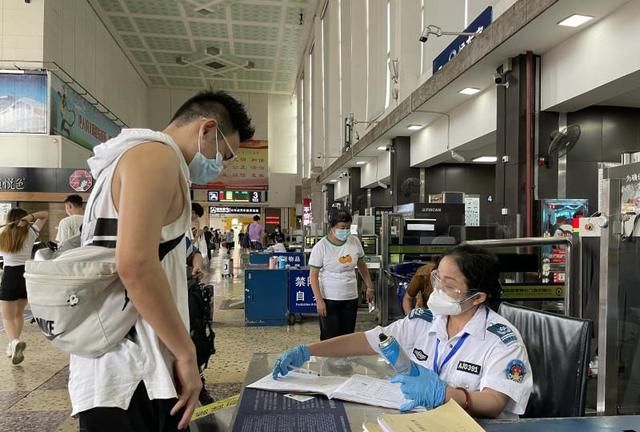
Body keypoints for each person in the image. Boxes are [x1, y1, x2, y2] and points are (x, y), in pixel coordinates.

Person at [70, 90, 254, 432]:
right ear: (206, 129)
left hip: (119, 359)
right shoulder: (156, 158)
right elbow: (135, 265)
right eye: (224, 155)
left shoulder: (125, 157)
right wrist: (185, 353)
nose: (219, 166)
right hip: (133, 370)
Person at [272, 245, 532, 418]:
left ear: (477, 298)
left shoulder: (502, 340)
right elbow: (366, 341)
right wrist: (308, 351)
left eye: (449, 284)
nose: (437, 288)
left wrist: (445, 394)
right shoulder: (423, 321)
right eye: (437, 278)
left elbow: (495, 402)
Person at [308, 209, 375, 341]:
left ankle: (345, 362)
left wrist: (370, 286)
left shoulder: (354, 242)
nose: (345, 231)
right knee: (330, 338)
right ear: (332, 227)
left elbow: (361, 265)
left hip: (350, 297)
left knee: (347, 337)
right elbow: (313, 276)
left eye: (348, 227)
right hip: (329, 299)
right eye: (342, 227)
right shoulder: (321, 247)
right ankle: (329, 361)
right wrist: (319, 300)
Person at [0, 208, 48, 365]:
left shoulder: (3, 235)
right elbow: (44, 214)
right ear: (23, 219)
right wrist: (30, 218)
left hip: (9, 277)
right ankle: (13, 344)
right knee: (18, 314)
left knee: (7, 317)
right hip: (25, 277)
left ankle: (14, 342)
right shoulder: (31, 233)